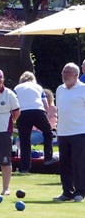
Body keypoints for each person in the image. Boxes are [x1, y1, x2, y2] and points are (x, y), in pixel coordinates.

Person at [14, 72, 58, 173]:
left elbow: (14, 102)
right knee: (48, 133)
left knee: (24, 140)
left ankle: (25, 168)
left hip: (22, 113)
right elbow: (45, 105)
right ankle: (48, 158)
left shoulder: (17, 88)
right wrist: (44, 118)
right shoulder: (38, 87)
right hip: (38, 111)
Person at [53, 62, 85, 202]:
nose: (65, 75)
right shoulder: (60, 89)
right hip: (63, 132)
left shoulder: (83, 89)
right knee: (64, 163)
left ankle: (80, 191)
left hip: (80, 131)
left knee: (79, 162)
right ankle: (67, 191)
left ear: (76, 75)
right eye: (63, 72)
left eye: (68, 72)